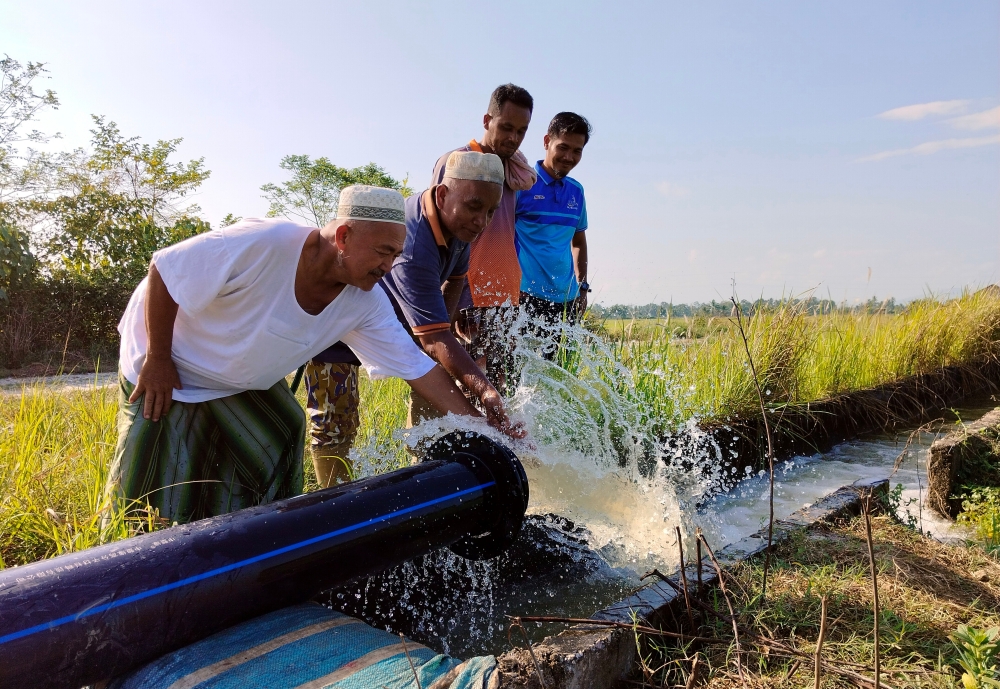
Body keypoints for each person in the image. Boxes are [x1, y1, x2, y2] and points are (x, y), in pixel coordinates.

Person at [107, 185, 514, 525]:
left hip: (234, 379)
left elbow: (418, 368)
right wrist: (158, 358)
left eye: (396, 256)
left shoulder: (364, 301)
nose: (389, 267)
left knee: (283, 428)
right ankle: (129, 555)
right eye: (383, 253)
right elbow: (165, 269)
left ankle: (256, 535)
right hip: (169, 364)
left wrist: (483, 427)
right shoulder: (264, 244)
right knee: (153, 481)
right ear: (343, 237)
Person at [383, 150, 515, 429]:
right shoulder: (414, 241)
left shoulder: (459, 226)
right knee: (335, 424)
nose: (482, 222)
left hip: (389, 322)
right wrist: (486, 390)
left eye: (491, 212)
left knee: (437, 370)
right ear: (442, 195)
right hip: (338, 324)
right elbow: (433, 340)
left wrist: (445, 327)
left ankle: (430, 456)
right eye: (474, 207)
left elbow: (456, 279)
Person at [431, 84, 535, 394]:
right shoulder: (457, 163)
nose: (513, 138)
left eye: (521, 131)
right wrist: (452, 301)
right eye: (506, 127)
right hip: (468, 294)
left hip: (504, 296)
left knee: (501, 387)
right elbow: (437, 234)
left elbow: (526, 181)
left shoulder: (512, 169)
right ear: (487, 119)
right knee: (466, 386)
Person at [515, 112, 592, 358]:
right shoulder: (522, 183)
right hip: (523, 296)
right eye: (563, 147)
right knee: (516, 373)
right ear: (547, 141)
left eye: (577, 151)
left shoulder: (576, 192)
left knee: (556, 377)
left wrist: (582, 287)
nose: (569, 157)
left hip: (566, 301)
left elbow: (578, 240)